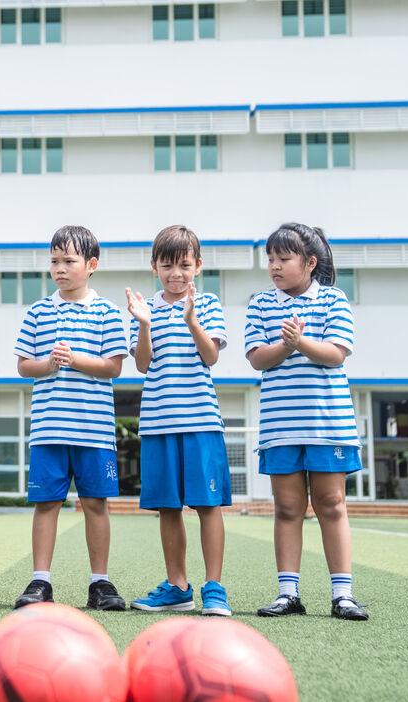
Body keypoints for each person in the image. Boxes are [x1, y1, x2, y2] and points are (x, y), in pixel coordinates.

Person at [246, 223, 368, 621]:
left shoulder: (333, 300)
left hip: (328, 424)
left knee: (332, 505)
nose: (274, 267)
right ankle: (288, 593)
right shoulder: (260, 304)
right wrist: (287, 345)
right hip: (281, 426)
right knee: (286, 507)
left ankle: (343, 595)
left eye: (284, 259)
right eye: (271, 259)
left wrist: (299, 343)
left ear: (310, 262)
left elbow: (336, 353)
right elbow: (257, 357)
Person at [11, 226, 129, 611]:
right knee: (47, 503)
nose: (60, 268)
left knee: (96, 504)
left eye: (69, 261)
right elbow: (24, 366)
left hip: (93, 430)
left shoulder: (107, 312)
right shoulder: (39, 311)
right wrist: (47, 363)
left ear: (91, 265)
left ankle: (101, 583)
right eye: (54, 261)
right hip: (48, 428)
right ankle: (40, 580)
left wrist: (74, 359)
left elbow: (114, 367)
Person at [124, 226, 232, 616]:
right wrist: (144, 323)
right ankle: (177, 586)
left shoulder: (209, 304)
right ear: (155, 267)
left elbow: (211, 357)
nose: (176, 274)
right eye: (167, 265)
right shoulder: (143, 307)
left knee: (208, 506)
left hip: (201, 421)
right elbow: (141, 363)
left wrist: (191, 321)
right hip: (158, 423)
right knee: (168, 508)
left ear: (198, 266)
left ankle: (214, 588)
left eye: (184, 265)